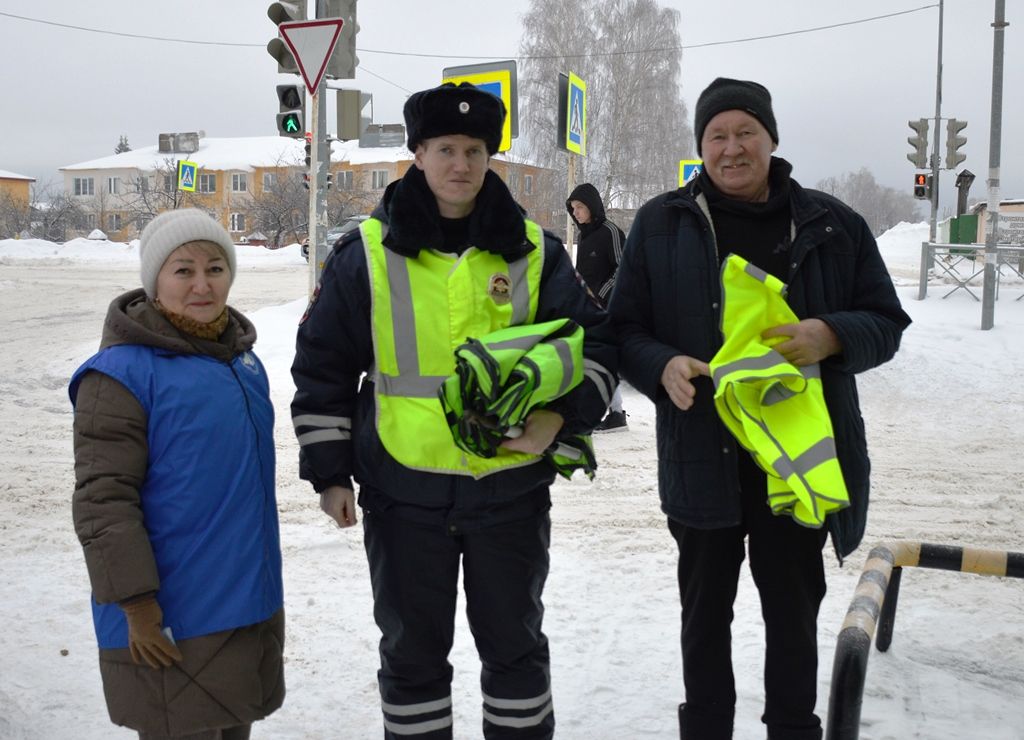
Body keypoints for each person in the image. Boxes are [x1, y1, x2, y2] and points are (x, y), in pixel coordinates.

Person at [291, 82, 617, 739]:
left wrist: (563, 417)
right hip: (402, 494)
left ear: (490, 157)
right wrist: (329, 473)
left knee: (515, 654)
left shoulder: (535, 251)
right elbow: (322, 364)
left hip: (510, 494)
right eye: (445, 148)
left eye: (474, 149)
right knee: (412, 660)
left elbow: (598, 345)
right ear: (417, 154)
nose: (460, 164)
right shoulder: (368, 255)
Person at [609, 77, 911, 740]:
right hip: (701, 455)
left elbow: (886, 320)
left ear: (772, 139)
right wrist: (660, 364)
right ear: (701, 147)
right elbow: (622, 325)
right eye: (717, 135)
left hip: (798, 464)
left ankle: (792, 730)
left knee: (793, 615)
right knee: (703, 618)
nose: (732, 147)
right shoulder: (662, 224)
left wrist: (829, 335)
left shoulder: (832, 224)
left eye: (746, 132)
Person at [70, 209, 285, 740]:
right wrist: (136, 604)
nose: (202, 284)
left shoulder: (239, 361)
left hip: (244, 604)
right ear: (154, 281)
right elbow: (103, 501)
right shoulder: (120, 374)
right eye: (183, 270)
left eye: (215, 268)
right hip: (171, 615)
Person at [567, 182, 628, 432]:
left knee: (594, 358)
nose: (576, 213)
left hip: (607, 307)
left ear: (592, 206)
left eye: (580, 207)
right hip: (586, 307)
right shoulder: (585, 235)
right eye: (573, 208)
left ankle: (606, 414)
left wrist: (601, 296)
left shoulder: (610, 231)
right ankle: (614, 413)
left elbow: (622, 269)